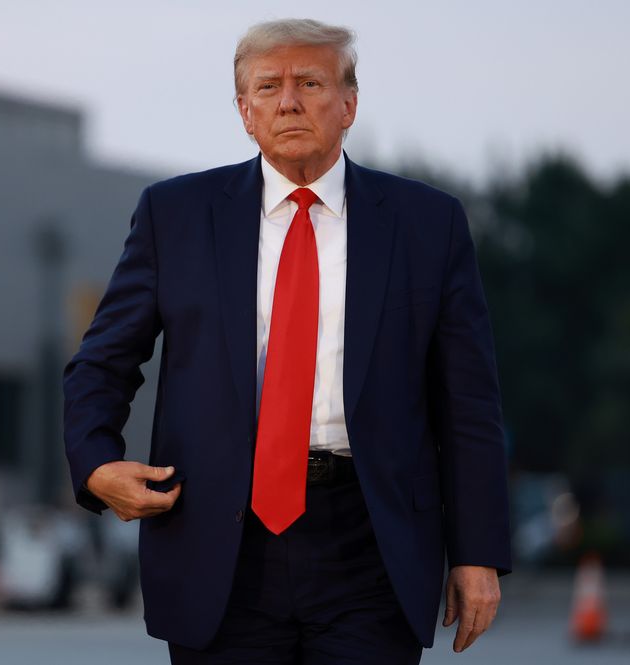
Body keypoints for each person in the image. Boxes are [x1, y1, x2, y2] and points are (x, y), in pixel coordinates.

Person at [63, 17, 511, 664]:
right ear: (245, 112)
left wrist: (477, 551)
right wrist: (96, 462)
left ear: (349, 104)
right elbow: (102, 362)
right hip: (217, 535)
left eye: (310, 83)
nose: (289, 101)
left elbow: (469, 402)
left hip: (371, 541)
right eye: (268, 87)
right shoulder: (176, 216)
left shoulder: (426, 223)